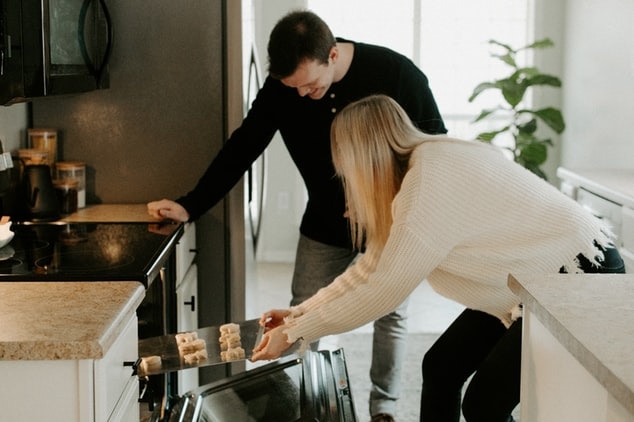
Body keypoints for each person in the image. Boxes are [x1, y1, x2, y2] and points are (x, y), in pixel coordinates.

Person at [147, 10, 446, 422]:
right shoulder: (283, 89)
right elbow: (243, 147)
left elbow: (434, 149)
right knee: (302, 313)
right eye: (295, 87)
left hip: (389, 219)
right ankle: (306, 406)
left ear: (333, 54)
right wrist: (190, 203)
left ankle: (385, 409)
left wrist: (398, 202)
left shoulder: (396, 73)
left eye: (311, 84)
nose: (304, 94)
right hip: (324, 222)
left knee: (391, 311)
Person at [251, 94, 626, 422]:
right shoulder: (418, 172)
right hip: (533, 281)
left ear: (362, 157)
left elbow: (381, 290)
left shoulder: (427, 184)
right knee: (441, 366)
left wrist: (298, 332)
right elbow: (369, 270)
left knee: (483, 406)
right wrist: (299, 314)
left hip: (576, 273)